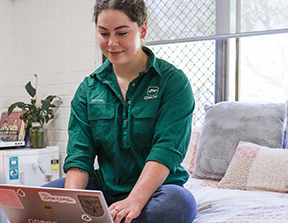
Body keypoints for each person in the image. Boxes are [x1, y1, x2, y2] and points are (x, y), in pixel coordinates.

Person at [44, 0, 197, 222]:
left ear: (142, 28)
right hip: (105, 188)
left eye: (122, 33)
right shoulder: (88, 88)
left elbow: (166, 150)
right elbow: (79, 156)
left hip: (157, 190)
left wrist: (135, 200)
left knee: (177, 205)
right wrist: (71, 204)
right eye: (103, 33)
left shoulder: (173, 82)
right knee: (43, 199)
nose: (111, 43)